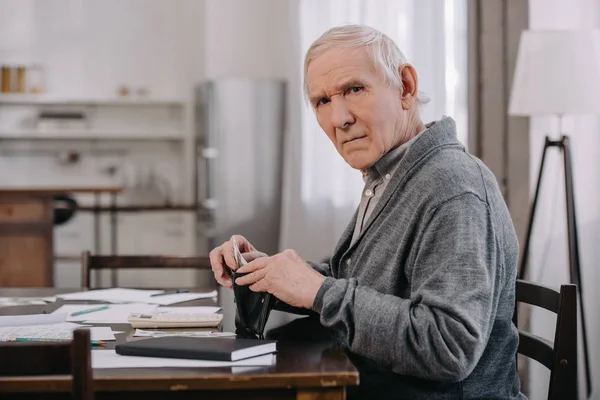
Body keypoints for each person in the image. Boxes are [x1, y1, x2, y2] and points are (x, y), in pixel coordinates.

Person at [209, 24, 524, 399]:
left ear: (405, 87)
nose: (338, 118)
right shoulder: (393, 174)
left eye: (354, 90)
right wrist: (272, 276)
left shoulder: (451, 186)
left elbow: (447, 347)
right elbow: (363, 287)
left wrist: (319, 291)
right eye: (322, 101)